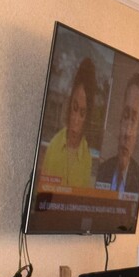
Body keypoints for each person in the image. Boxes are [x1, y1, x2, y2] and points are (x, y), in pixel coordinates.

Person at [39, 58, 97, 189]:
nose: (76, 119)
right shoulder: (53, 147)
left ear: (87, 116)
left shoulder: (87, 159)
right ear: (70, 104)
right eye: (75, 108)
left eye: (82, 113)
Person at [97, 74, 139, 194]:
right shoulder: (101, 172)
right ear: (119, 121)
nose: (127, 133)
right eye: (125, 116)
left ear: (138, 131)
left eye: (134, 120)